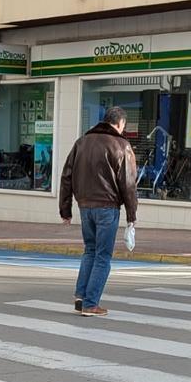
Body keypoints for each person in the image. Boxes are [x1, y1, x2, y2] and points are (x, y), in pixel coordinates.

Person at [59, 106, 137, 316]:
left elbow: (66, 177)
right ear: (120, 124)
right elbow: (128, 184)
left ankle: (80, 297)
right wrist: (132, 216)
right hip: (107, 208)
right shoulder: (122, 145)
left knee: (90, 251)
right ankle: (90, 304)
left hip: (85, 207)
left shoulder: (81, 142)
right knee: (102, 256)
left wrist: (65, 210)